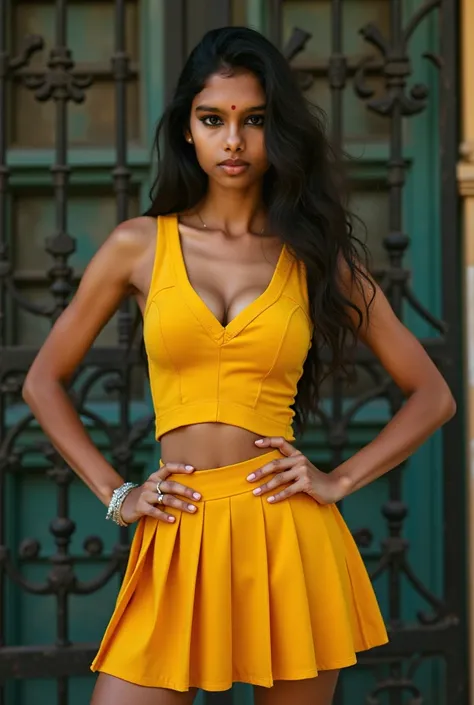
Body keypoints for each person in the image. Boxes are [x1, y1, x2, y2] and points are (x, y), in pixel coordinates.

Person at [22, 25, 456, 705]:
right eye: (213, 119)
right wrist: (117, 493)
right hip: (178, 531)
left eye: (253, 120)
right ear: (187, 130)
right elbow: (41, 380)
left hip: (285, 531)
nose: (233, 141)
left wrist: (338, 478)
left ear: (275, 129)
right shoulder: (138, 245)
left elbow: (433, 395)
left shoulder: (313, 253)